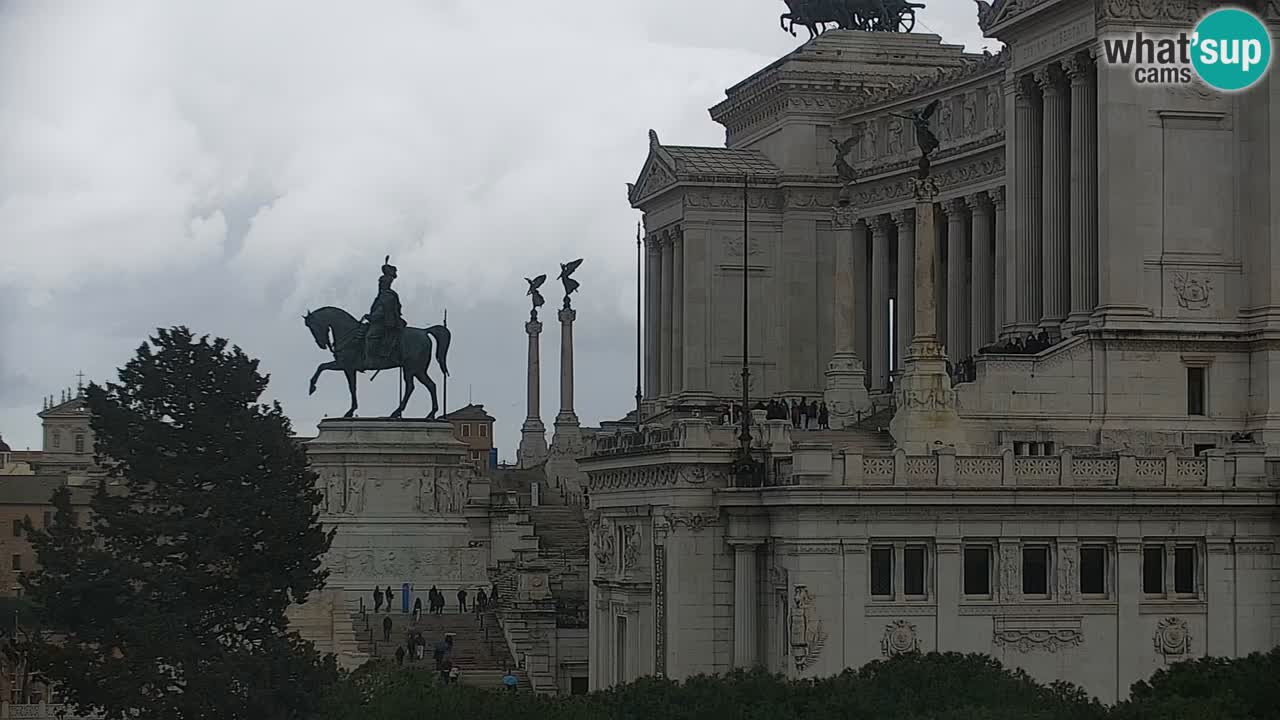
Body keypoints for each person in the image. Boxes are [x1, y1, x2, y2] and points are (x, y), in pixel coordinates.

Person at [364, 256, 406, 366]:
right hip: (381, 321)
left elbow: (382, 312)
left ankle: (373, 359)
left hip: (385, 322)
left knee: (370, 337)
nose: (380, 284)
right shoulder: (385, 295)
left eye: (381, 283)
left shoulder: (387, 296)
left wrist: (371, 317)